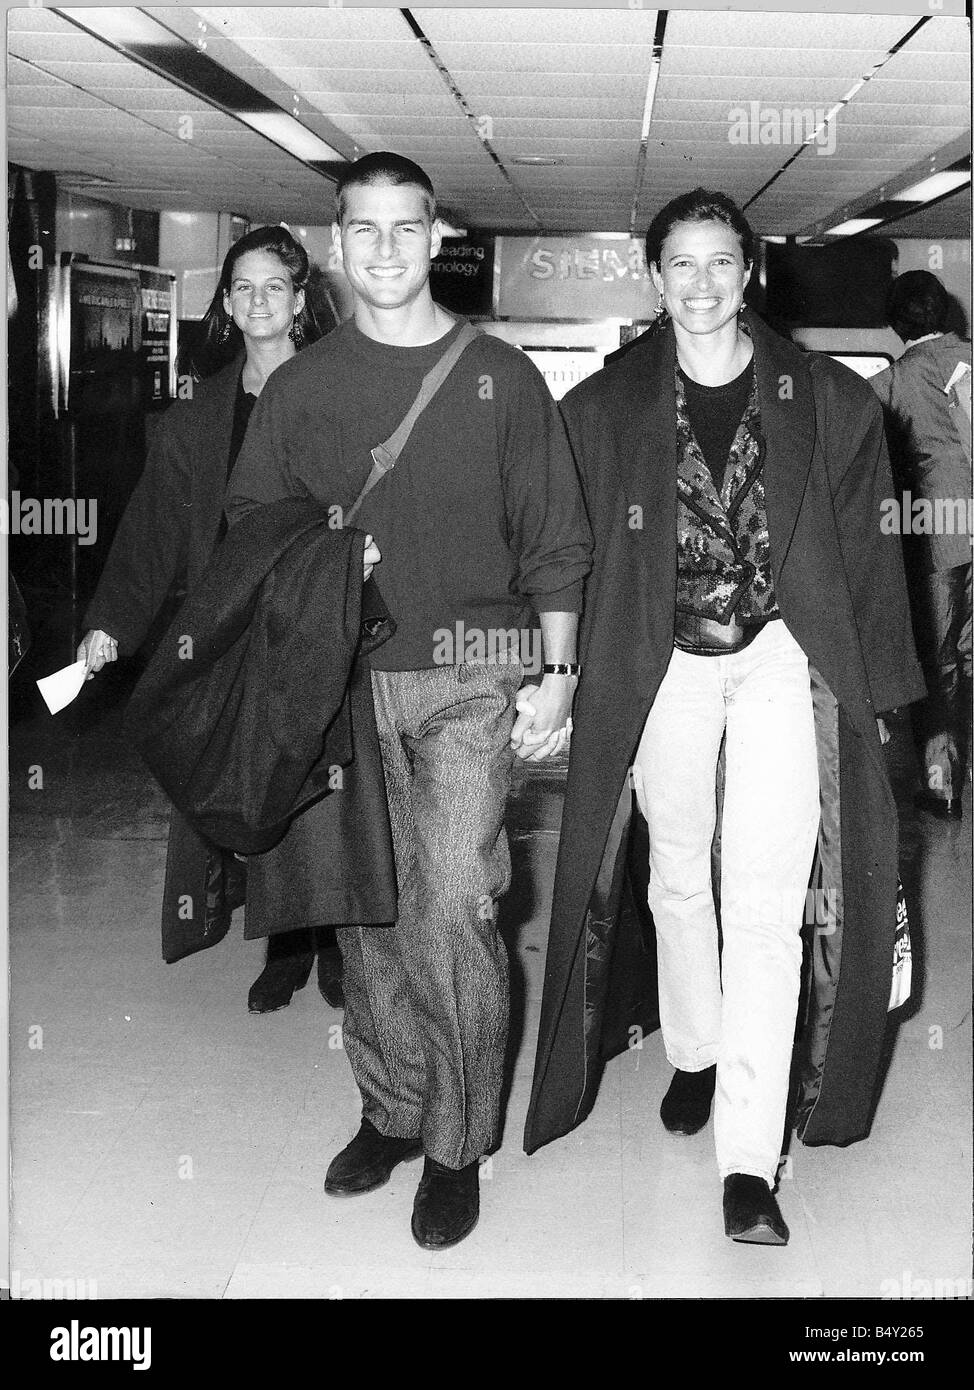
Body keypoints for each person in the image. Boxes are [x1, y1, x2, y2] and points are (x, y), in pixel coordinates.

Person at [524, 189, 925, 1246]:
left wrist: (887, 704)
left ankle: (748, 1160)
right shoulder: (603, 410)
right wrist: (552, 669)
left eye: (718, 263)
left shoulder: (829, 399)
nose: (699, 284)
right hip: (661, 663)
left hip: (779, 657)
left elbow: (875, 562)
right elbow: (563, 548)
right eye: (679, 265)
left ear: (746, 272)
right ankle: (693, 1050)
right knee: (673, 869)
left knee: (761, 900)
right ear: (653, 277)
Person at [226, 152, 592, 1249]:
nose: (385, 249)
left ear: (438, 237)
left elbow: (558, 544)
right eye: (363, 230)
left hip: (472, 674)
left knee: (449, 900)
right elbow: (253, 534)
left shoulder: (502, 376)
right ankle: (388, 1106)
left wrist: (557, 679)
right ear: (337, 244)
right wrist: (324, 549)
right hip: (340, 678)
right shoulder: (300, 389)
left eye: (406, 228)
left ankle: (454, 1139)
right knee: (363, 904)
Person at [79, 224, 347, 1012]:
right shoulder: (197, 416)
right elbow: (153, 525)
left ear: (302, 301)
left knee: (323, 787)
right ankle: (282, 945)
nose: (257, 300)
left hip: (319, 622)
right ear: (227, 304)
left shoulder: (343, 396)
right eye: (242, 288)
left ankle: (332, 940)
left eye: (274, 286)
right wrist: (113, 623)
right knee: (253, 784)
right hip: (230, 629)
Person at [871, 270, 972, 820]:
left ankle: (942, 786)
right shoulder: (969, 357)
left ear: (894, 323)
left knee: (940, 667)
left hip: (938, 538)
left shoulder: (892, 383)